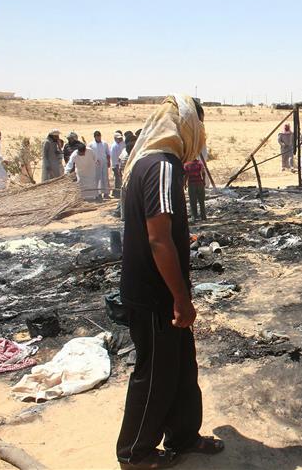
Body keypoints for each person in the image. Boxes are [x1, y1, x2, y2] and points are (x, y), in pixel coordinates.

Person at [117, 95, 224, 468]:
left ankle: (183, 436)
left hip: (162, 289)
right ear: (187, 125)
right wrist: (181, 298)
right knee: (155, 374)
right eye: (200, 124)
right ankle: (135, 453)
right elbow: (158, 239)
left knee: (180, 366)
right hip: (154, 293)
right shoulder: (162, 166)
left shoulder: (153, 162)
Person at [89, 131, 111, 198]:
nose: (98, 138)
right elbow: (90, 155)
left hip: (104, 162)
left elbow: (108, 153)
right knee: (97, 178)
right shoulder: (91, 144)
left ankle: (106, 193)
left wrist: (108, 162)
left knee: (105, 177)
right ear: (94, 137)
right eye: (97, 136)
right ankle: (98, 193)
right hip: (96, 164)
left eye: (99, 136)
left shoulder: (105, 143)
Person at [111, 132, 125, 197]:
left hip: (122, 164)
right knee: (117, 180)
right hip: (116, 165)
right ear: (115, 139)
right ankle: (116, 192)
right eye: (118, 138)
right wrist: (117, 166)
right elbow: (114, 157)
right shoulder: (114, 146)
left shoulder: (123, 144)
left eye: (120, 138)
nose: (120, 139)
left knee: (121, 179)